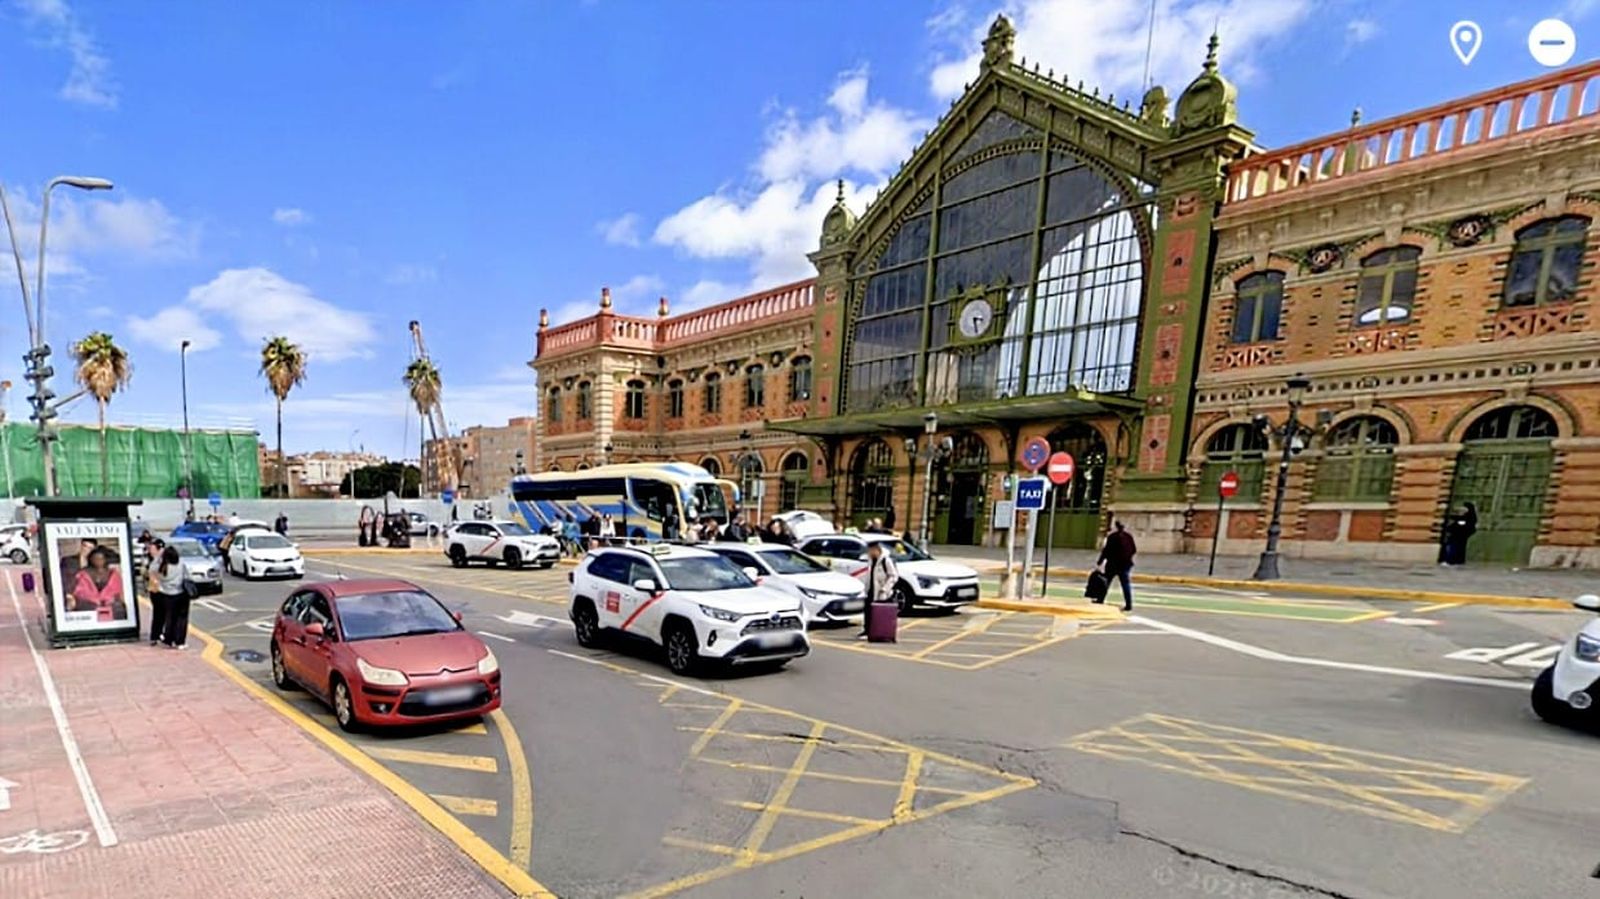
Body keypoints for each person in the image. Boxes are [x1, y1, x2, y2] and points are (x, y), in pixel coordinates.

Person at [69, 545, 126, 622]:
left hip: (110, 610)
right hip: (88, 609)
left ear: (105, 559)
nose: (98, 561)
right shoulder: (82, 574)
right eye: (95, 558)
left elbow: (118, 593)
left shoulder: (113, 574)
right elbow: (77, 592)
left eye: (100, 558)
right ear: (90, 559)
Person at [1095, 520, 1138, 612]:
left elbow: (1106, 551)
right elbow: (1134, 549)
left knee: (1106, 582)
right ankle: (1129, 604)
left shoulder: (1112, 537)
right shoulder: (1128, 536)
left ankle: (1100, 599)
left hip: (1113, 564)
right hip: (1125, 564)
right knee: (1125, 584)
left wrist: (1100, 562)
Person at [861, 538, 899, 639]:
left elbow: (894, 576)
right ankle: (866, 631)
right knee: (868, 611)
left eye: (870, 550)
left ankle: (879, 632)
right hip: (871, 590)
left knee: (878, 613)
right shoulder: (870, 560)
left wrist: (885, 588)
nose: (868, 552)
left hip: (881, 591)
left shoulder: (885, 560)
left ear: (876, 550)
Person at [154, 545, 190, 649]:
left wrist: (160, 557)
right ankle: (180, 641)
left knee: (169, 618)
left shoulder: (162, 567)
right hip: (181, 594)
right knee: (182, 619)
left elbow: (155, 572)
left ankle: (169, 639)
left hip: (167, 595)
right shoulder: (181, 564)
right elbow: (186, 576)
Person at [1439, 501, 1478, 566]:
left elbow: (1462, 524)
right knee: (1457, 548)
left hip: (1459, 536)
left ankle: (1451, 561)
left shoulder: (1469, 517)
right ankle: (1456, 560)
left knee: (1454, 548)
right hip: (1458, 535)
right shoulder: (1467, 516)